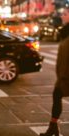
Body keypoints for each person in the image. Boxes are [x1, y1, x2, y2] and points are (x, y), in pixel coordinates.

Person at [40, 7, 69, 136]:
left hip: (66, 76)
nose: (62, 16)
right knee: (56, 96)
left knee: (57, 96)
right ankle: (53, 127)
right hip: (63, 76)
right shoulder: (65, 32)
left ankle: (52, 128)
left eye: (65, 14)